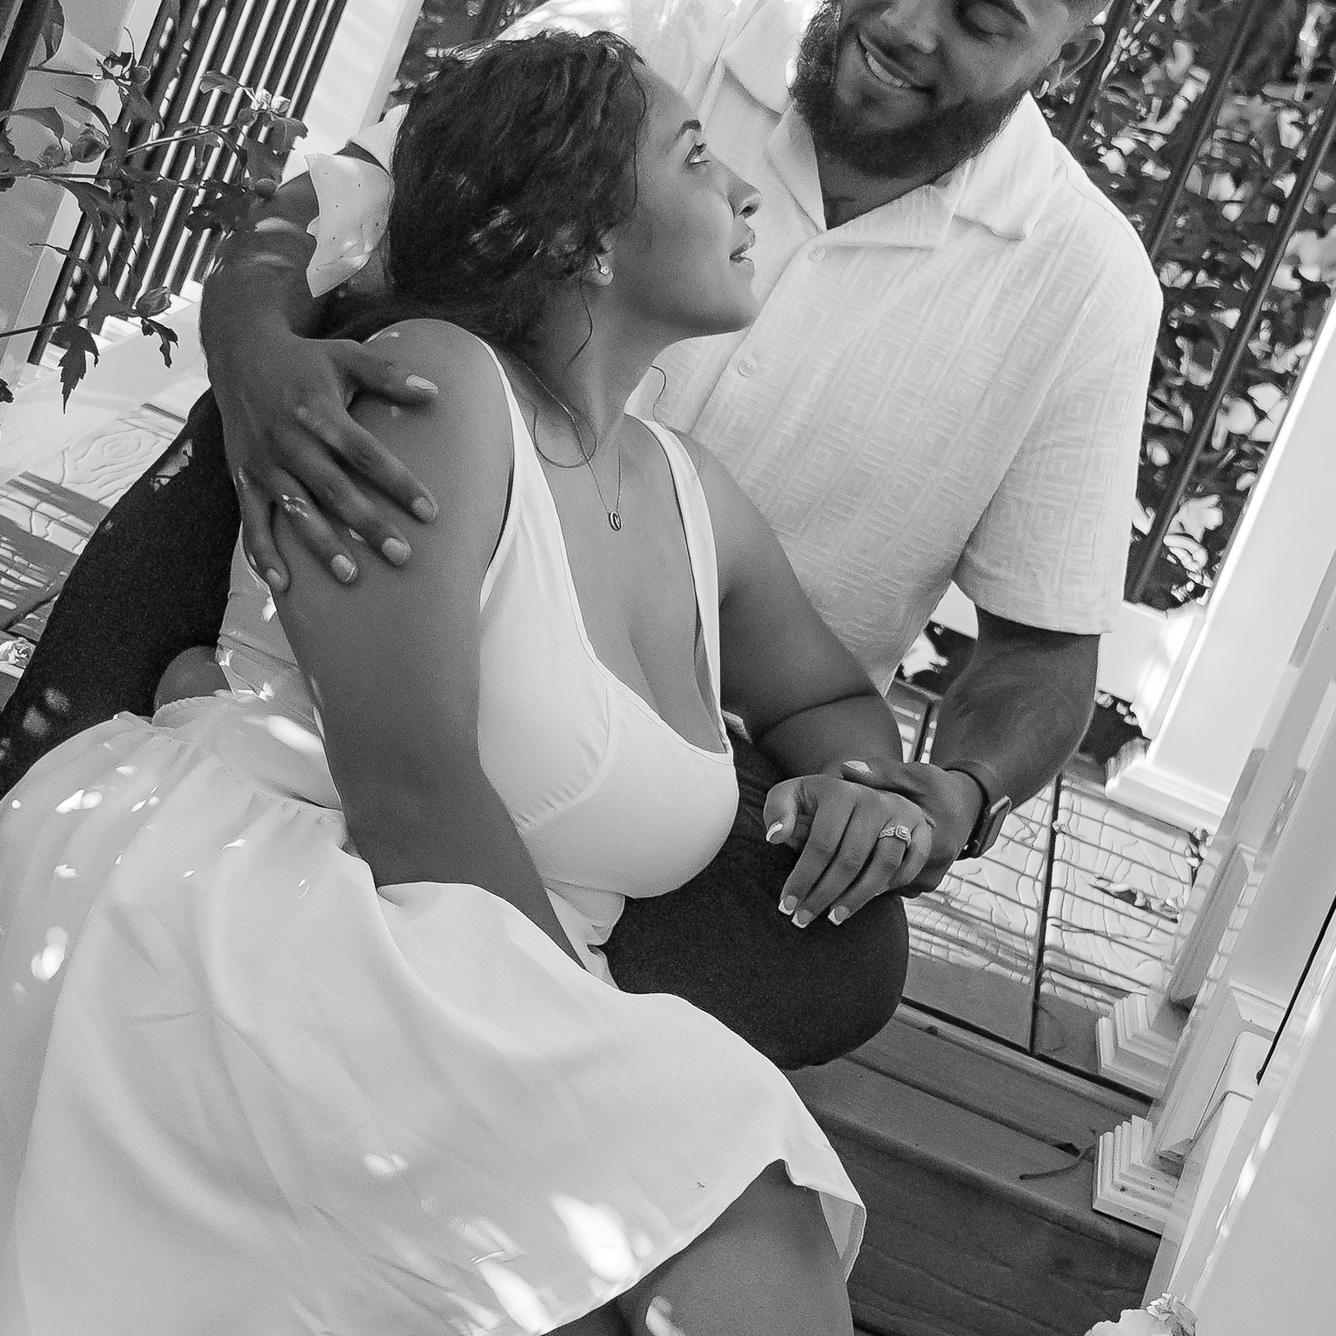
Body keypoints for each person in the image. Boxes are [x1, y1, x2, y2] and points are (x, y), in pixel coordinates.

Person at [0, 0, 1161, 1064]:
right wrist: (252, 345)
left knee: (837, 959)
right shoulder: (655, 30)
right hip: (352, 551)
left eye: (978, 18)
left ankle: (481, 1000)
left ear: (1085, 28)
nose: (905, 23)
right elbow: (343, 203)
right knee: (229, 502)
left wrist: (930, 794)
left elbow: (1040, 648)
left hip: (667, 730)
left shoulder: (1084, 288)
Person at [0, 30, 939, 1334]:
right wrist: (595, 1049)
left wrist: (862, 786)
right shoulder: (433, 386)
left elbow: (825, 702)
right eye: (695, 159)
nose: (743, 190)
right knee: (733, 1182)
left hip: (475, 967)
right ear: (580, 241)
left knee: (718, 1190)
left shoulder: (693, 497)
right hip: (284, 906)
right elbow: (408, 782)